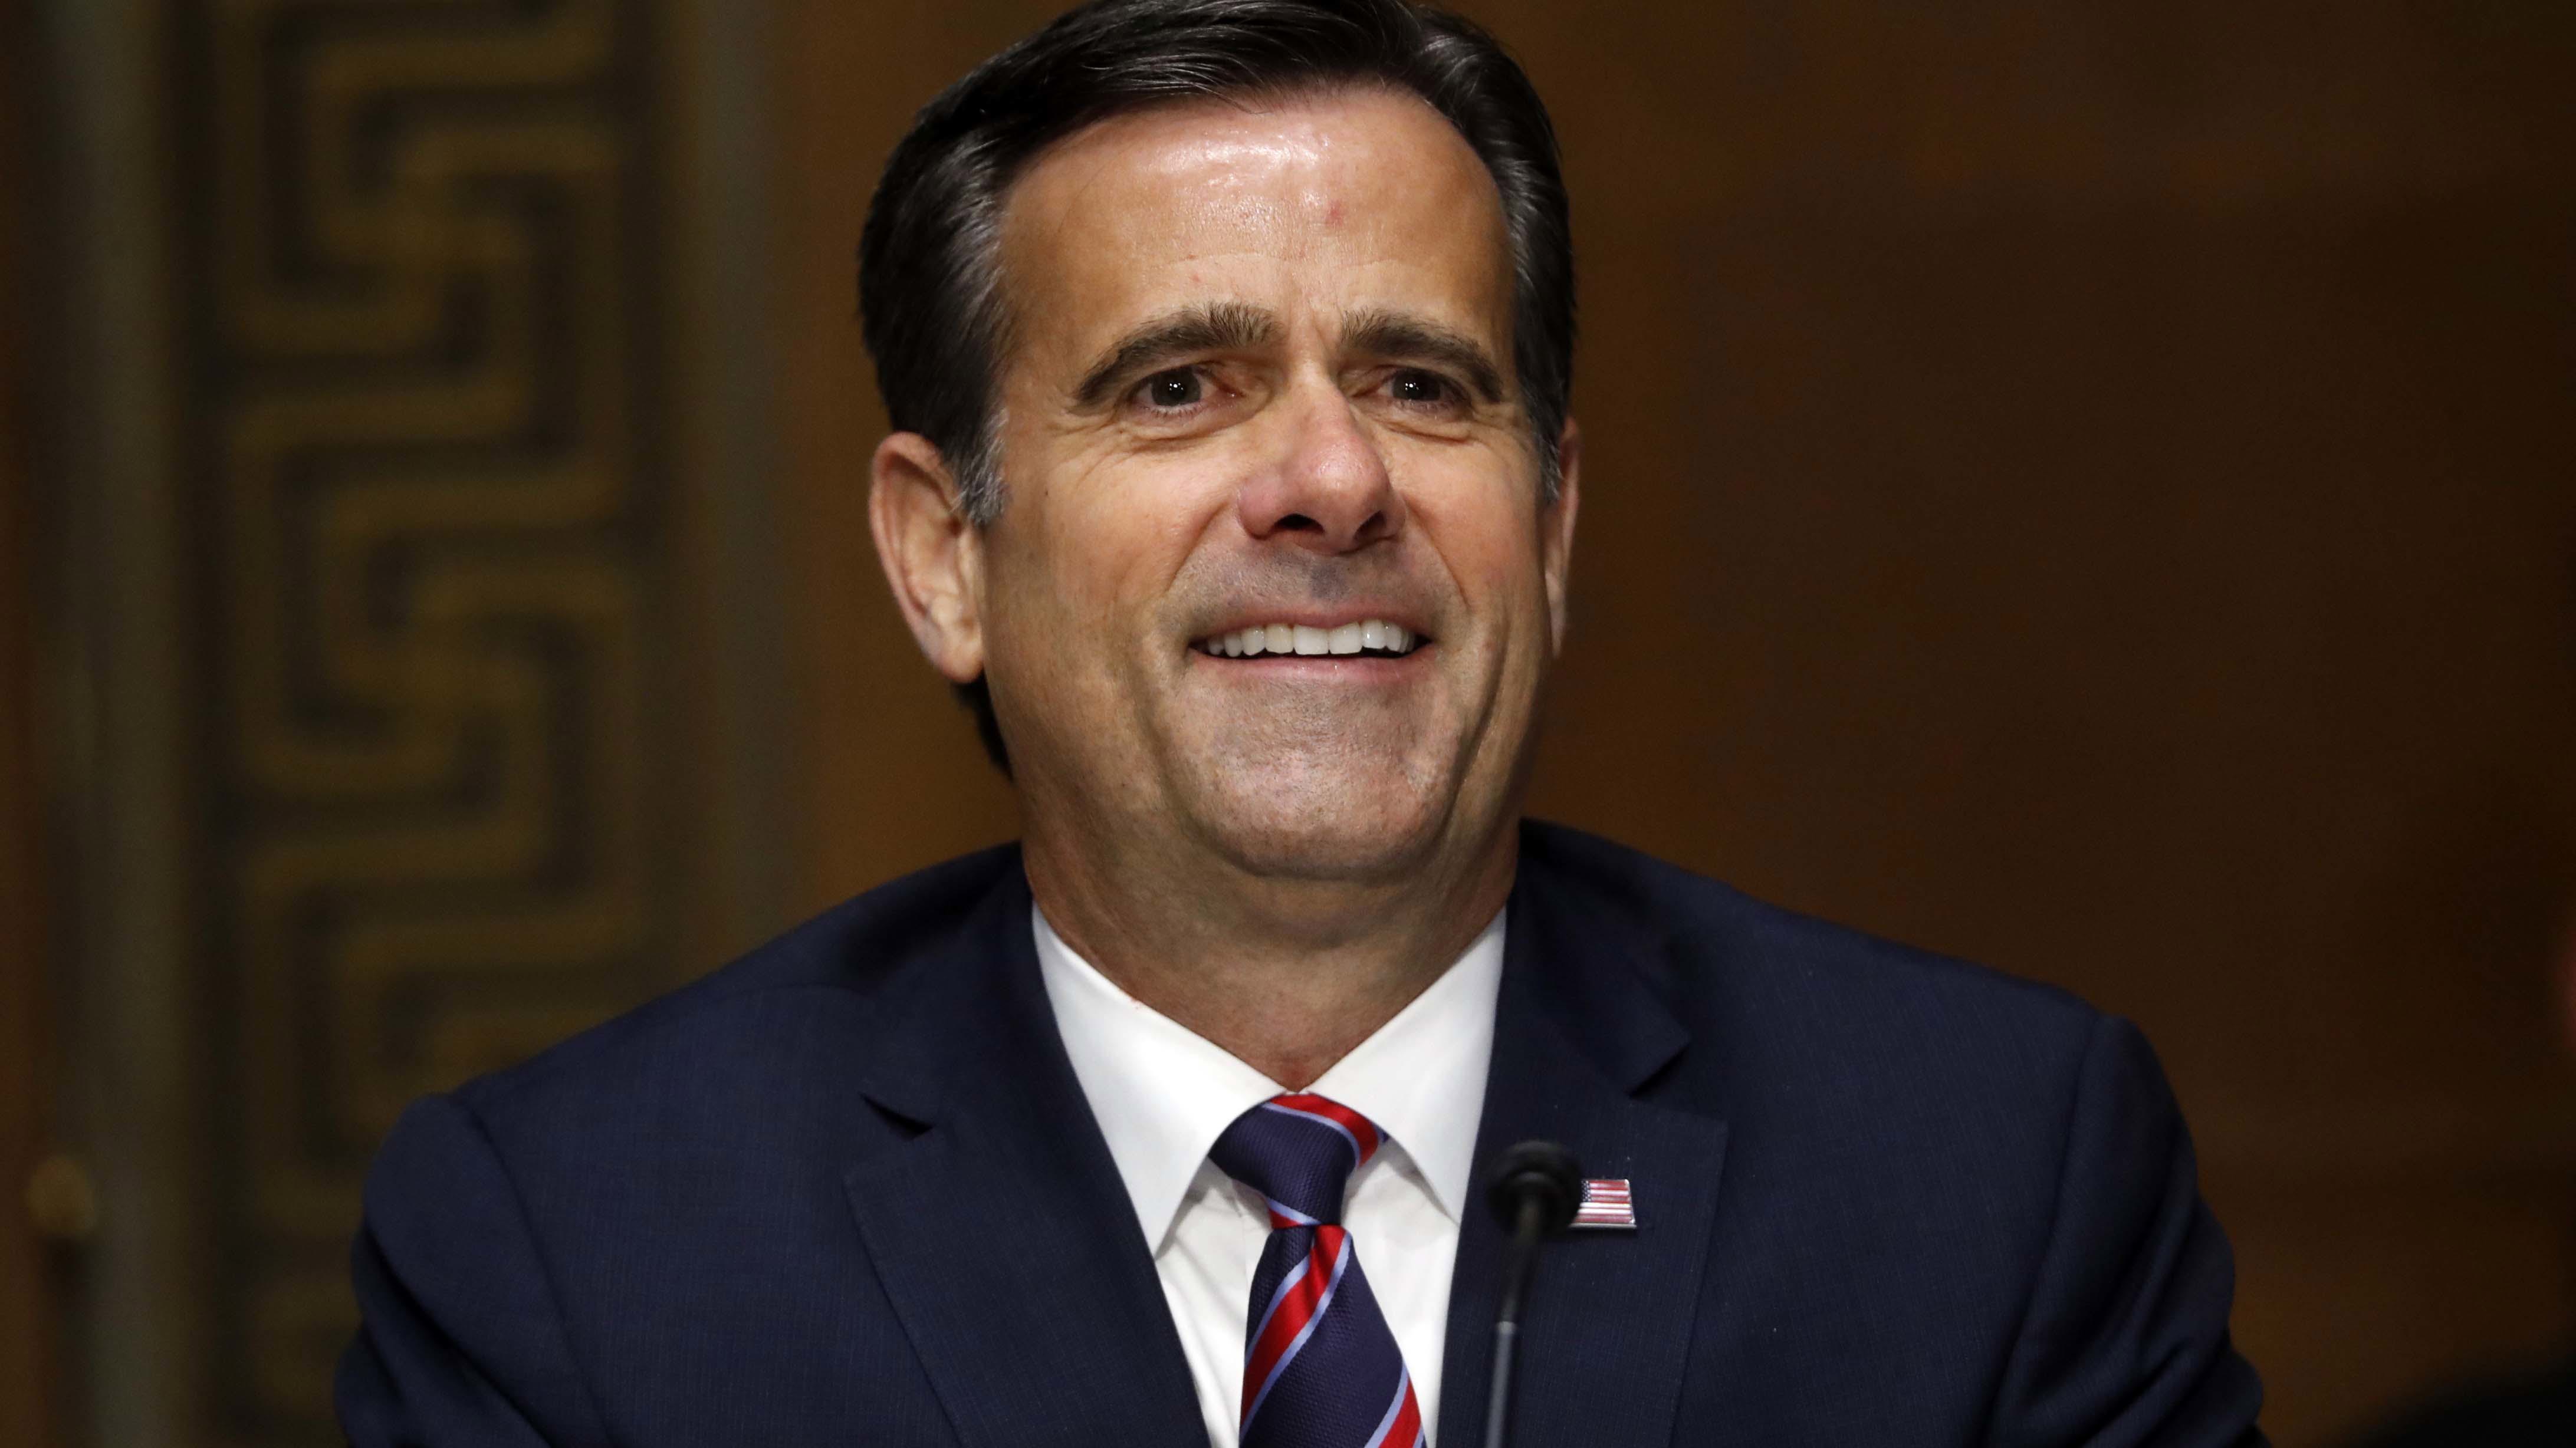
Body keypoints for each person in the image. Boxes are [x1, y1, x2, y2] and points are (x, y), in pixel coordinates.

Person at [335, 1, 2266, 1443]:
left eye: (1424, 383)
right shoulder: (582, 1251)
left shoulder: (1989, 1175)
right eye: (1178, 388)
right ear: (944, 559)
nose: (1333, 480)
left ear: (1558, 523)